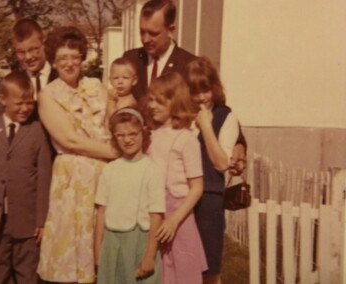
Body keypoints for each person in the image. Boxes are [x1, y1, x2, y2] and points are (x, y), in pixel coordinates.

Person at [123, 0, 247, 175]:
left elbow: (218, 110)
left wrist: (239, 145)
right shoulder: (131, 59)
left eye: (153, 33)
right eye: (142, 32)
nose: (145, 39)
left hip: (173, 168)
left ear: (171, 29)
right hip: (137, 160)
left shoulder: (189, 65)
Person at [36, 26, 117, 284]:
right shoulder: (48, 96)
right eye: (62, 58)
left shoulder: (96, 85)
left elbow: (112, 122)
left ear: (82, 57)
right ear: (53, 62)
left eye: (74, 56)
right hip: (73, 180)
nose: (69, 63)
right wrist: (117, 152)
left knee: (103, 242)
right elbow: (70, 140)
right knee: (72, 243)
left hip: (105, 176)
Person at [0, 71, 53, 284]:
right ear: (3, 100)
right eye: (19, 103)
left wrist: (41, 219)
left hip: (27, 223)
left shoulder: (37, 132)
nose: (25, 108)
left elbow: (44, 178)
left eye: (29, 103)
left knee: (29, 275)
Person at [145, 72, 208, 284]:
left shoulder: (186, 138)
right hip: (153, 212)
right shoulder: (149, 135)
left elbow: (197, 187)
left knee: (182, 272)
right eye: (151, 99)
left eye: (159, 101)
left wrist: (173, 220)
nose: (152, 105)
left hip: (178, 217)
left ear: (175, 101)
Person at [184, 57, 240, 284]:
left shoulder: (226, 117)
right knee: (182, 263)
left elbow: (221, 163)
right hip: (181, 196)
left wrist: (206, 126)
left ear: (214, 88)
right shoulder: (182, 116)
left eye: (205, 90)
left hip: (208, 199)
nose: (200, 98)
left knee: (209, 265)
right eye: (194, 92)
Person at [94, 108, 165, 284]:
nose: (127, 140)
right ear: (115, 137)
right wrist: (97, 252)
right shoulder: (110, 170)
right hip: (112, 244)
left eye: (133, 134)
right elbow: (101, 213)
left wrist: (149, 254)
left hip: (139, 243)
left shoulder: (152, 170)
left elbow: (156, 215)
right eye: (121, 135)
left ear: (143, 132)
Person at [0, 18, 58, 117]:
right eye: (21, 52)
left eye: (33, 49)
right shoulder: (9, 84)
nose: (28, 57)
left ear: (43, 44)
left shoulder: (61, 78)